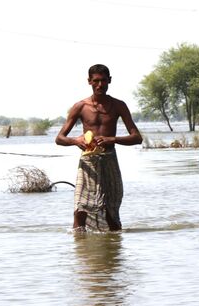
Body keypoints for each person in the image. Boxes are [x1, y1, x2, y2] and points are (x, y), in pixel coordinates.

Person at [56, 64, 142, 232]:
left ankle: (113, 247)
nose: (100, 85)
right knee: (80, 207)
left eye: (103, 80)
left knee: (111, 209)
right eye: (96, 81)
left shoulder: (118, 106)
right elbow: (59, 138)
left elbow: (137, 138)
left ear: (109, 81)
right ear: (89, 82)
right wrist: (76, 141)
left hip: (109, 158)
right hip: (88, 161)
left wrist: (112, 139)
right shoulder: (80, 106)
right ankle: (80, 248)